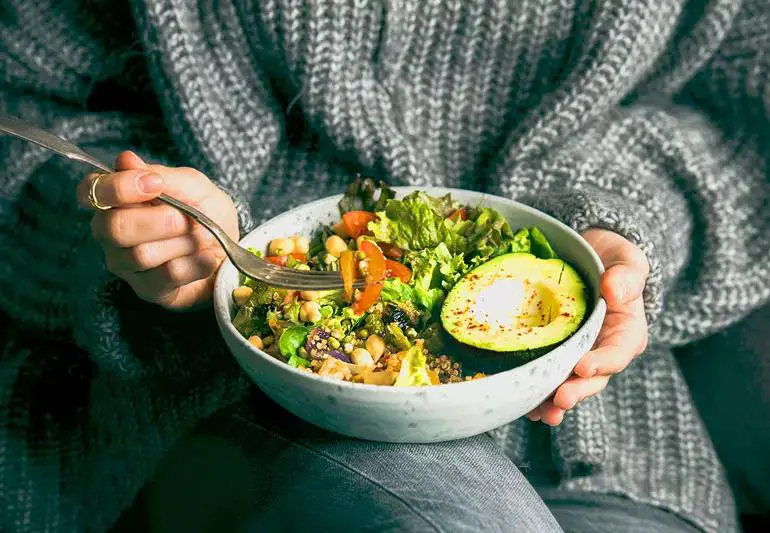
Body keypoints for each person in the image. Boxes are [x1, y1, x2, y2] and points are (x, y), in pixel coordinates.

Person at [1, 0, 768, 532]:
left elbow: (742, 110)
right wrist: (138, 236)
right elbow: (22, 119)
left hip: (611, 430)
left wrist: (625, 230)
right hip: (230, 389)